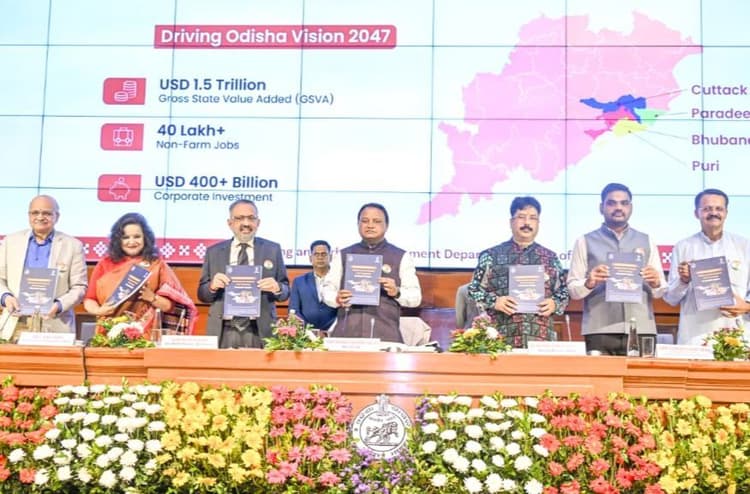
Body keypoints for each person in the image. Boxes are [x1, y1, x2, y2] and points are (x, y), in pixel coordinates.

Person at [567, 183, 666, 355]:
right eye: (611, 203)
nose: (618, 208)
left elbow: (660, 290)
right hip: (600, 329)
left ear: (631, 208)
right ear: (601, 208)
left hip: (641, 328)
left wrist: (656, 283)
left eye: (624, 203)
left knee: (642, 374)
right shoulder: (584, 241)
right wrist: (589, 282)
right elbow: (573, 290)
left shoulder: (647, 240)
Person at [468, 196, 569, 347]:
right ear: (511, 222)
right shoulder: (490, 255)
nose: (527, 223)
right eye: (521, 217)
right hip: (500, 338)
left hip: (541, 339)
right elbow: (473, 290)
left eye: (533, 218)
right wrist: (495, 302)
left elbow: (564, 292)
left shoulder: (550, 258)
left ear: (538, 223)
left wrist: (554, 303)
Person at [83, 212, 197, 334]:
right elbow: (90, 299)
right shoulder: (104, 264)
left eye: (137, 237)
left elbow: (170, 307)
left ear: (145, 238)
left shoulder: (157, 265)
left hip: (145, 334)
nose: (131, 242)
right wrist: (99, 311)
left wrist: (152, 298)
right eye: (126, 237)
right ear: (118, 240)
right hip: (109, 332)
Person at [322, 203, 421, 342]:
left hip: (386, 335)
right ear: (358, 224)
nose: (370, 225)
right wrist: (336, 299)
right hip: (347, 334)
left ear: (387, 226)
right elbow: (327, 289)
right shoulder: (342, 255)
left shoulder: (401, 256)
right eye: (365, 221)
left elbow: (416, 297)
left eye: (377, 221)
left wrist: (397, 292)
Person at [198, 200, 289, 348]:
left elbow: (285, 292)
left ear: (258, 222)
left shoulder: (272, 249)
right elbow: (202, 294)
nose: (246, 223)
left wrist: (277, 288)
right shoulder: (214, 252)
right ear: (230, 223)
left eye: (251, 218)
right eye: (239, 218)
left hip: (260, 330)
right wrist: (212, 287)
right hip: (224, 330)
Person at [664, 189, 750, 345]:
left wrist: (746, 306)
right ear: (696, 213)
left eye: (719, 209)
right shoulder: (683, 247)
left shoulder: (744, 246)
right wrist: (683, 281)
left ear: (726, 213)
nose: (713, 213)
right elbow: (671, 299)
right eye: (707, 209)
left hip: (735, 335)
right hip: (694, 335)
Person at [0, 195, 87, 336]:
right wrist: (6, 297)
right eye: (35, 213)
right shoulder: (10, 242)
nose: (40, 217)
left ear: (57, 217)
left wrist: (59, 305)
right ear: (29, 215)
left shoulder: (73, 245)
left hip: (55, 323)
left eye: (46, 213)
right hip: (15, 322)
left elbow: (79, 286)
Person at [289, 240, 337, 331]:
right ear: (310, 258)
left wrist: (330, 330)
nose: (320, 257)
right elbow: (294, 310)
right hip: (306, 333)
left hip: (334, 332)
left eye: (324, 254)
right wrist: (309, 331)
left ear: (330, 257)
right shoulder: (299, 282)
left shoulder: (338, 280)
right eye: (316, 254)